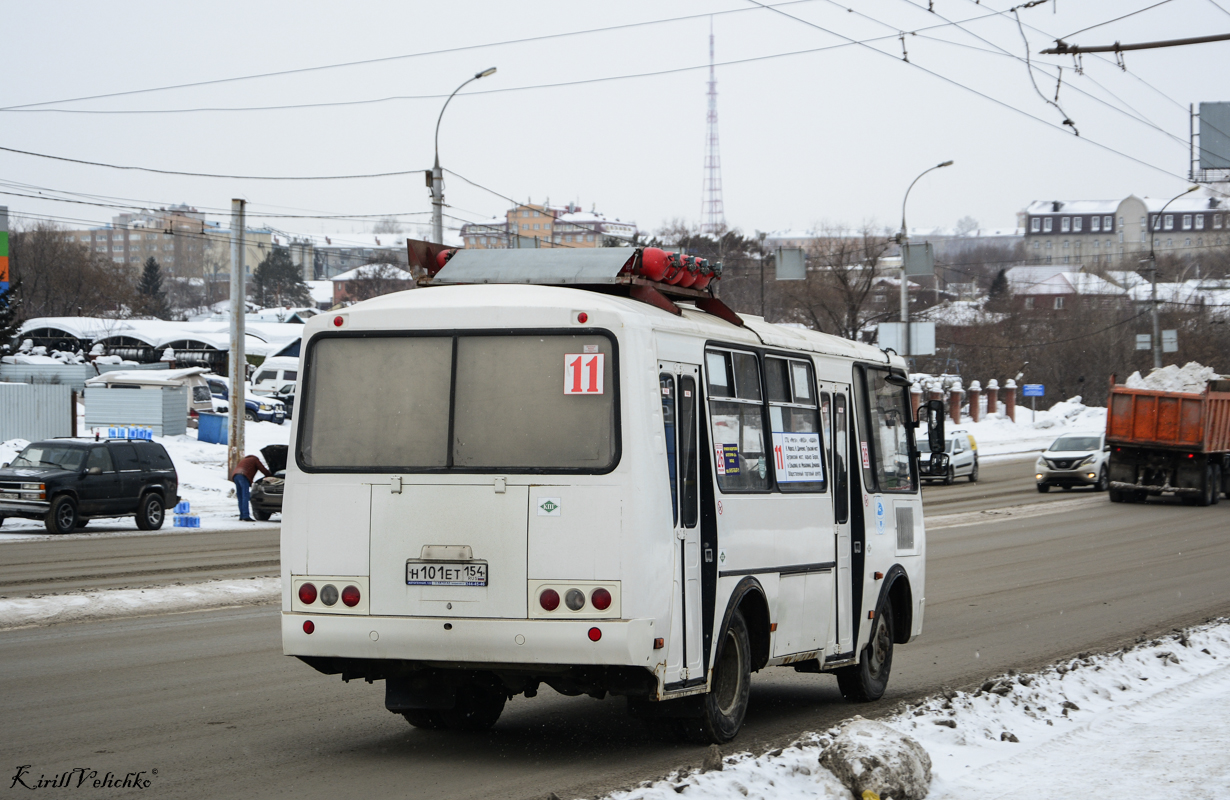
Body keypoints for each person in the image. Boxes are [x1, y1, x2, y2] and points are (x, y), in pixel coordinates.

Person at [231, 453, 270, 522]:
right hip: (243, 476)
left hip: (236, 476)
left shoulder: (245, 460)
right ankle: (246, 516)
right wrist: (269, 475)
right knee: (245, 496)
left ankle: (242, 515)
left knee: (240, 497)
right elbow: (262, 469)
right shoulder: (255, 460)